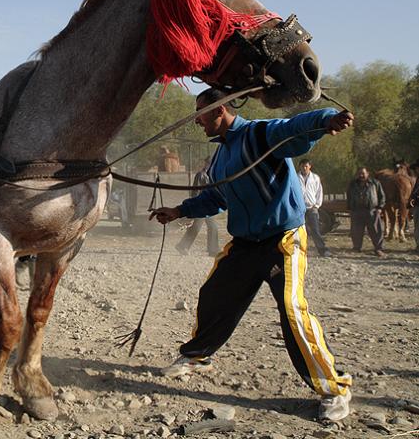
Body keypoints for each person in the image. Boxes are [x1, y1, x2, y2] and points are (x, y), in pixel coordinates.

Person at [150, 88, 354, 422]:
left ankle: (335, 388)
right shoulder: (219, 158)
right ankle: (196, 356)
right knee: (215, 294)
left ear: (220, 110)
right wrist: (178, 210)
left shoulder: (260, 134)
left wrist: (325, 120)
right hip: (246, 242)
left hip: (283, 240)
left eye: (200, 113)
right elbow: (215, 199)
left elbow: (293, 129)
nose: (198, 121)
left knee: (292, 310)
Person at [175, 157, 219, 256]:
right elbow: (195, 191)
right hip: (201, 205)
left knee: (212, 227)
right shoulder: (201, 175)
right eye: (209, 163)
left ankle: (212, 250)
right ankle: (183, 246)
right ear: (207, 163)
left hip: (209, 205)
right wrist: (195, 205)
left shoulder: (212, 175)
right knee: (198, 227)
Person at [346, 167, 386, 257]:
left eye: (363, 173)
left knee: (376, 230)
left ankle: (378, 249)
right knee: (356, 231)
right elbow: (349, 196)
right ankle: (356, 247)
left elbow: (382, 196)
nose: (361, 175)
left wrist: (380, 208)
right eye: (359, 173)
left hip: (372, 210)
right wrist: (350, 209)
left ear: (367, 173)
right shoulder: (353, 184)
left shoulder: (375, 183)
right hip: (357, 211)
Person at [298, 159, 330, 257]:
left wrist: (317, 205)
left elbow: (319, 191)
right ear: (299, 166)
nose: (304, 168)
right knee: (298, 230)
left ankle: (322, 250)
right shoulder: (295, 177)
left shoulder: (315, 178)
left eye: (306, 166)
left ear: (310, 166)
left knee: (315, 229)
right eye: (302, 166)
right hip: (299, 209)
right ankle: (299, 251)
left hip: (312, 207)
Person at [410, 175, 419, 254]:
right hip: (417, 205)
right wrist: (412, 197)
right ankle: (418, 246)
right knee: (417, 227)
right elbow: (414, 190)